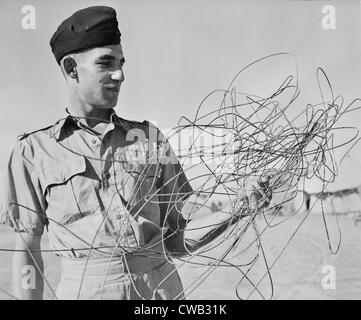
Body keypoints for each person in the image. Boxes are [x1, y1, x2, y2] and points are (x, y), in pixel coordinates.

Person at [0, 6, 271, 300]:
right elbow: (27, 249)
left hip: (160, 294)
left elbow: (176, 240)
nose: (120, 74)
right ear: (71, 69)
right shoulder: (33, 152)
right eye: (106, 63)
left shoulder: (150, 139)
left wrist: (240, 207)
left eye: (121, 62)